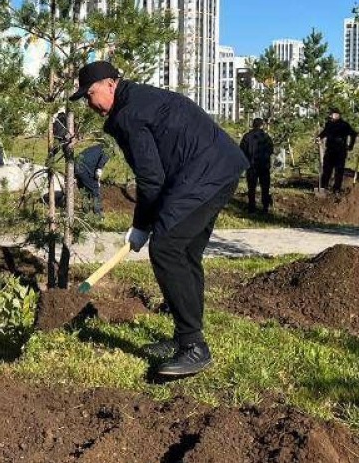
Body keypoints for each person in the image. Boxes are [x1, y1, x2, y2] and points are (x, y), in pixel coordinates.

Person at [71, 60, 247, 377]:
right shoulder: (137, 100)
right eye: (85, 97)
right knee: (185, 252)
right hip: (220, 167)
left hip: (204, 173)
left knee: (166, 249)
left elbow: (151, 179)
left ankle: (194, 348)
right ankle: (185, 338)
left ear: (111, 84)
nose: (89, 102)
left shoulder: (130, 114)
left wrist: (141, 226)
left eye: (91, 93)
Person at [317, 108, 357, 193]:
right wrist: (319, 137)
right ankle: (323, 187)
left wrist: (351, 146)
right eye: (330, 114)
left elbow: (353, 134)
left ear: (338, 115)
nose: (330, 116)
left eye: (332, 114)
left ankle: (336, 189)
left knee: (339, 171)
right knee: (326, 169)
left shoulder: (344, 125)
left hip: (340, 151)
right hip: (330, 150)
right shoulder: (329, 124)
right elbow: (325, 132)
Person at [239, 118, 274, 213]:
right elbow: (271, 150)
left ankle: (251, 208)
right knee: (265, 187)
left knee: (251, 188)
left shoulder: (247, 137)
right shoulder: (266, 137)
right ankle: (265, 208)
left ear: (253, 125)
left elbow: (241, 151)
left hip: (251, 166)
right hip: (264, 166)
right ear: (262, 125)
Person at [74, 142, 111, 216]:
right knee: (95, 190)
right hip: (84, 168)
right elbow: (99, 168)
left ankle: (85, 212)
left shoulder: (96, 147)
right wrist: (97, 180)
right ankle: (98, 214)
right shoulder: (108, 150)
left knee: (84, 191)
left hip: (76, 166)